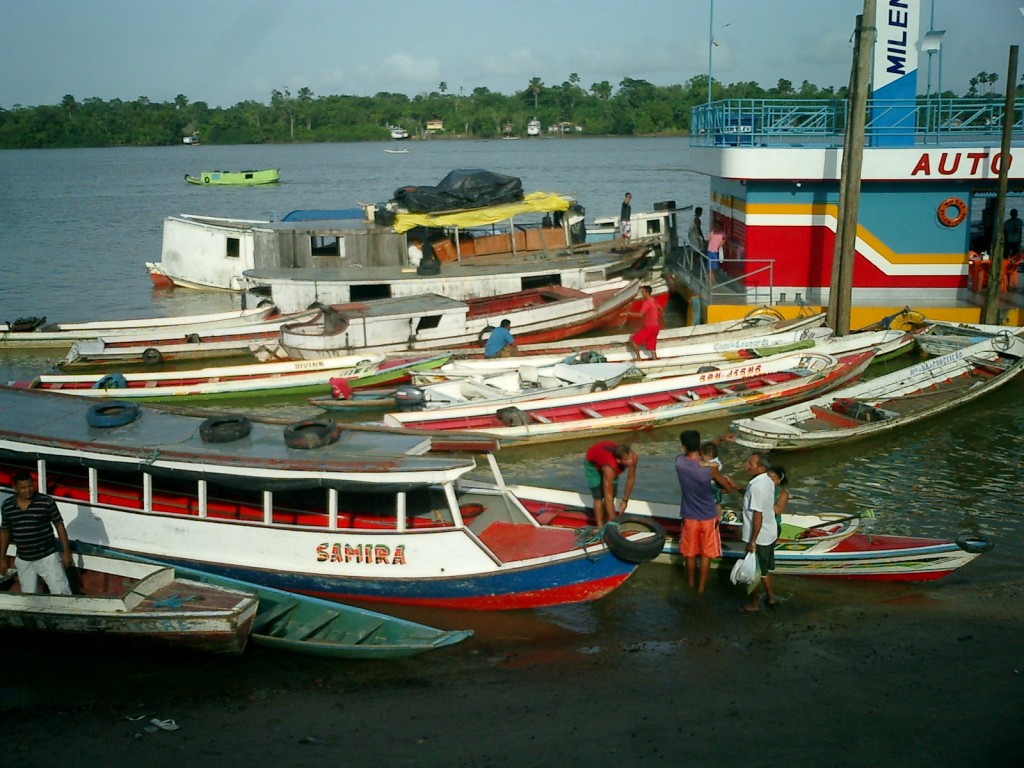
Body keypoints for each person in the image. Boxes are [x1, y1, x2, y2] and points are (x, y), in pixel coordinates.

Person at [676, 430, 738, 593]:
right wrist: (723, 490)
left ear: (683, 447)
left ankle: (690, 583)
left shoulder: (679, 463)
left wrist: (718, 439)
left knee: (689, 554)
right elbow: (727, 488)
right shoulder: (711, 470)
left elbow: (696, 451)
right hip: (709, 516)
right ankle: (701, 588)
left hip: (689, 515)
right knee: (705, 555)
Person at [0, 469, 73, 595]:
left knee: (62, 593)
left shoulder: (46, 502)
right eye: (23, 487)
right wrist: (2, 558)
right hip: (24, 559)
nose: (28, 490)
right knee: (29, 597)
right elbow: (5, 532)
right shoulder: (7, 507)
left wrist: (66, 553)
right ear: (15, 488)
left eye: (30, 486)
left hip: (47, 557)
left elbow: (59, 526)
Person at [740, 451, 778, 612]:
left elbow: (757, 516)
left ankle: (754, 602)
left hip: (759, 536)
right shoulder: (767, 481)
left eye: (751, 464)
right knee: (763, 570)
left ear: (761, 468)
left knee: (753, 572)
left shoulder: (756, 486)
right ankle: (770, 597)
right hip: (769, 532)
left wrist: (752, 541)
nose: (747, 466)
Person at [583, 441, 638, 527]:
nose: (631, 461)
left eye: (631, 458)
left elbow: (630, 478)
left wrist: (625, 501)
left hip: (606, 458)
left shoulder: (633, 457)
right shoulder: (610, 467)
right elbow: (607, 497)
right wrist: (614, 523)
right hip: (592, 463)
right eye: (627, 460)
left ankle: (606, 520)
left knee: (613, 495)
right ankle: (600, 526)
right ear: (618, 460)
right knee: (599, 496)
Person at [626, 284, 662, 360]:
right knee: (652, 346)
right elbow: (660, 309)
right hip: (656, 327)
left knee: (633, 340)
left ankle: (638, 358)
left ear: (646, 293)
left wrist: (629, 313)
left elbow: (640, 315)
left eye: (642, 292)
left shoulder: (647, 303)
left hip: (650, 327)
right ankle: (655, 359)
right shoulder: (654, 300)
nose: (641, 294)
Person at [768, 465, 789, 543]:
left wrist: (765, 497)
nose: (769, 482)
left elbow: (778, 511)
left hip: (773, 526)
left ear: (779, 481)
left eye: (772, 480)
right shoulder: (760, 488)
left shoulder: (783, 493)